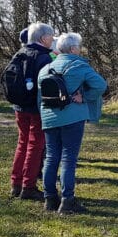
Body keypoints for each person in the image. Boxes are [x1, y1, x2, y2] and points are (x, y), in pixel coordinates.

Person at [38, 33, 107, 213]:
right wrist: (84, 97)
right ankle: (67, 201)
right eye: (79, 46)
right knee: (68, 158)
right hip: (72, 117)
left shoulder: (46, 68)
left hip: (49, 118)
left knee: (51, 157)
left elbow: (40, 97)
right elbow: (101, 85)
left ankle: (50, 199)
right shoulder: (79, 66)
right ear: (73, 49)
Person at [8, 22, 55, 200]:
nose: (52, 39)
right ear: (43, 38)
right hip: (36, 107)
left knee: (22, 143)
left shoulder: (19, 53)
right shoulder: (44, 57)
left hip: (19, 106)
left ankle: (16, 183)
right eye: (51, 36)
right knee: (36, 145)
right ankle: (28, 186)